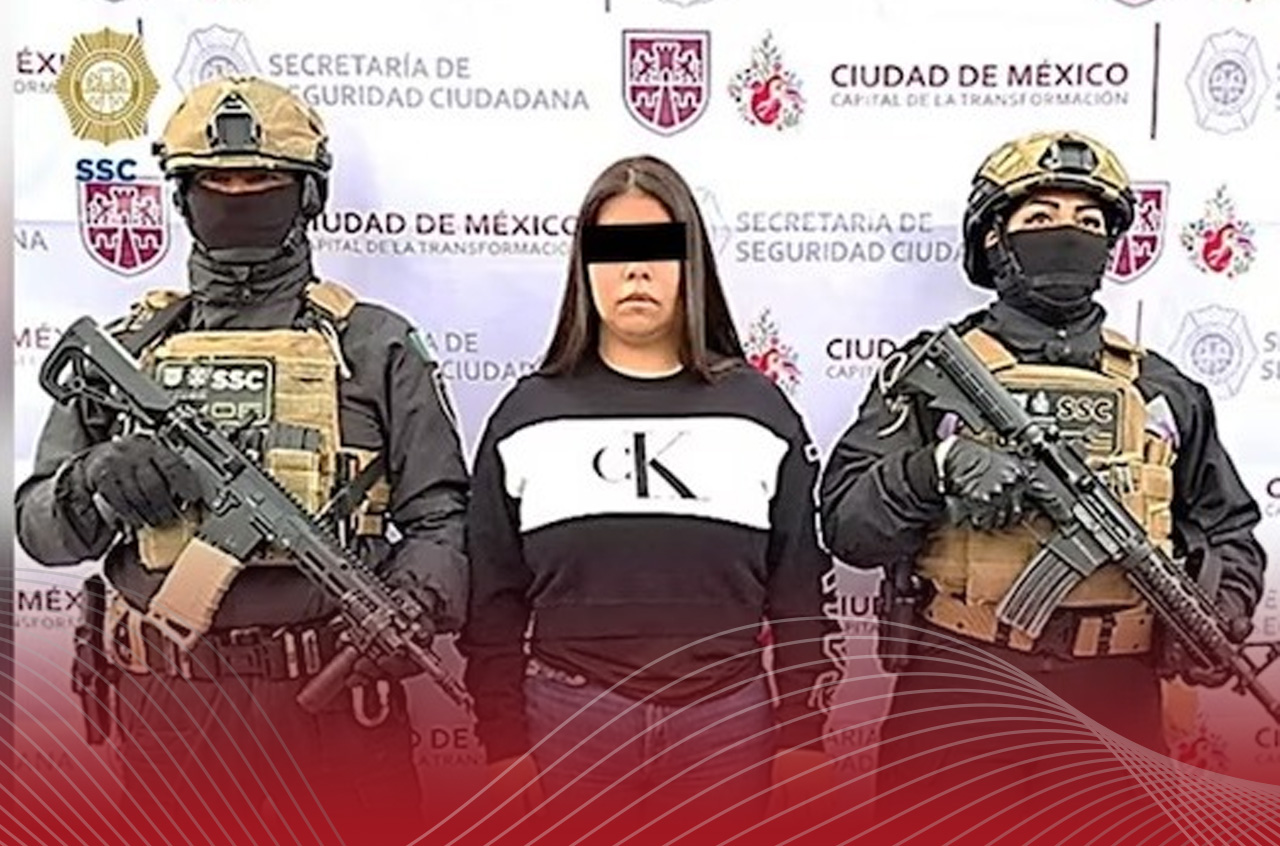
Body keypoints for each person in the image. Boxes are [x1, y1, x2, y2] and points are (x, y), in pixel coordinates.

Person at [14, 75, 469, 846]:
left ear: (308, 195)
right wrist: (95, 481)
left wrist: (415, 600)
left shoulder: (374, 344)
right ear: (183, 196)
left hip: (337, 706)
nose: (237, 196)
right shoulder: (130, 349)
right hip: (169, 716)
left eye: (262, 181)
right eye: (215, 182)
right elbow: (38, 530)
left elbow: (442, 515)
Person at [818, 130, 1266, 830]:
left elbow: (1229, 529)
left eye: (1089, 221)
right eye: (1041, 216)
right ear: (994, 239)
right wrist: (936, 468)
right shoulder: (932, 376)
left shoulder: (1163, 391)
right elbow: (848, 525)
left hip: (1115, 705)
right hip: (962, 693)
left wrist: (1218, 606)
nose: (1068, 233)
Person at [458, 154, 842, 842]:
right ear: (584, 267)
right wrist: (503, 745)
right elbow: (492, 599)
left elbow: (798, 594)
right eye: (614, 249)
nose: (636, 270)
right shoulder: (525, 416)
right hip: (568, 721)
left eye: (657, 249)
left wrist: (803, 738)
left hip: (726, 722)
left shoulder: (760, 411)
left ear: (691, 265)